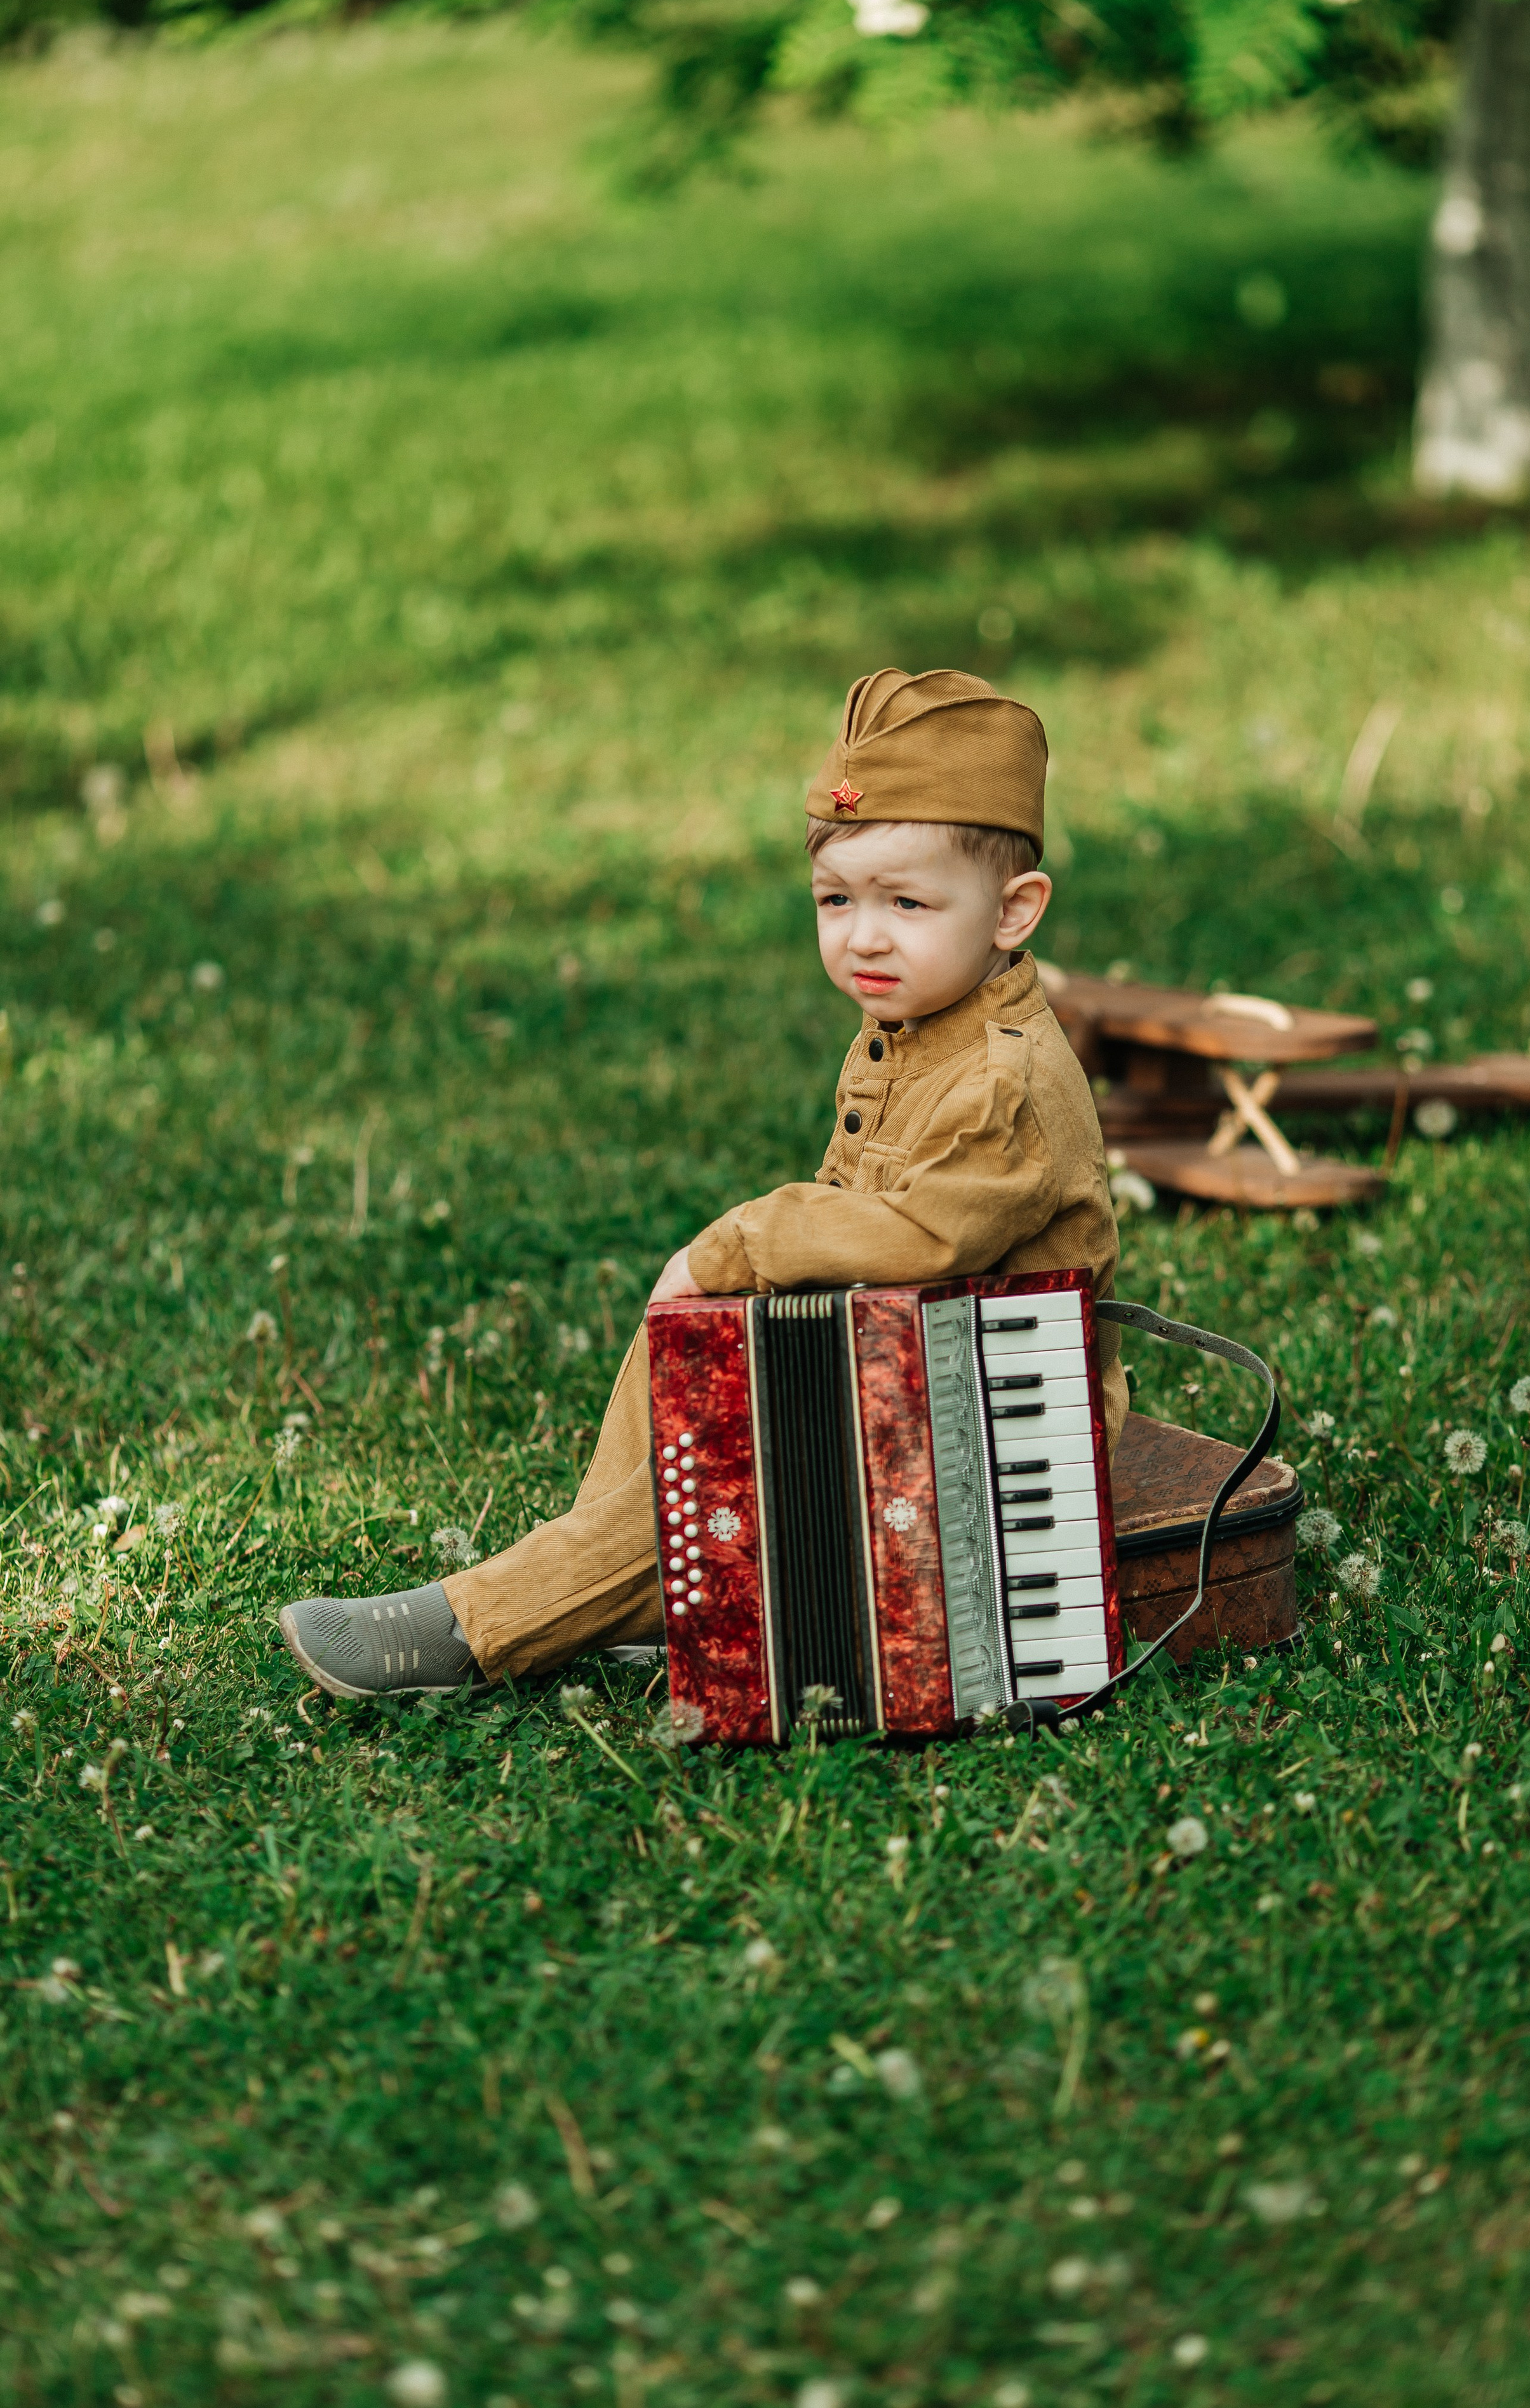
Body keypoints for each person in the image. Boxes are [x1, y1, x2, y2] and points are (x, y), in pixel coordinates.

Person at [278, 667, 1126, 1701]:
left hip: (995, 1424)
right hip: (908, 1358)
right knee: (686, 1336)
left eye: (907, 901)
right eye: (837, 900)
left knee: (743, 1448)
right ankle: (637, 1595)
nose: (863, 934)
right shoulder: (911, 1032)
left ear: (1014, 911)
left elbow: (918, 1238)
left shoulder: (1004, 1079)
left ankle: (475, 1624)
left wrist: (741, 1243)